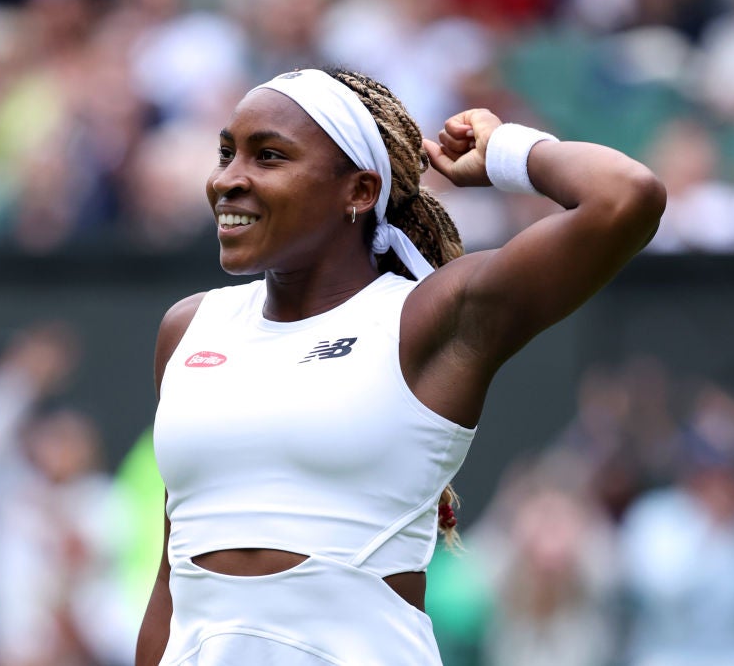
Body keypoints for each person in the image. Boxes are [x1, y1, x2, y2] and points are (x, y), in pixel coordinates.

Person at [137, 66, 666, 665]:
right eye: (227, 154)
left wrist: (504, 153)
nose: (228, 181)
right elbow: (170, 583)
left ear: (360, 192)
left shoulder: (427, 319)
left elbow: (627, 196)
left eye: (269, 157)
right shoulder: (188, 328)